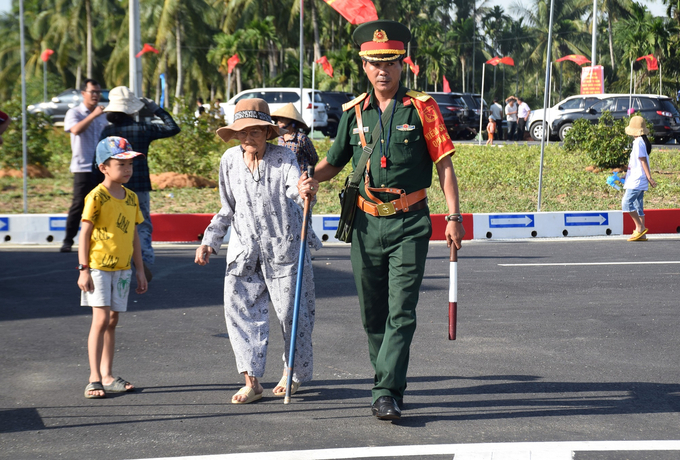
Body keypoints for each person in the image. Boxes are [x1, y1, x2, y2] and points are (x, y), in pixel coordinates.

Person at [309, 20, 465, 420]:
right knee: (372, 313)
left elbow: (444, 164)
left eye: (391, 62)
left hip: (409, 222)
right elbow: (333, 161)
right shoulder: (354, 113)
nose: (384, 70)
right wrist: (309, 179)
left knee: (402, 310)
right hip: (364, 224)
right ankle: (386, 382)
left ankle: (386, 390)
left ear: (402, 64)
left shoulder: (422, 109)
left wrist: (453, 216)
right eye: (375, 63)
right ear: (364, 65)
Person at [194, 98, 321, 405]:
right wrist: (210, 239)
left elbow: (295, 188)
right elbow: (227, 207)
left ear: (267, 132)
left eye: (255, 131)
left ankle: (293, 372)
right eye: (242, 132)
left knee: (292, 314)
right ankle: (252, 381)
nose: (248, 138)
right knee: (240, 314)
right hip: (244, 250)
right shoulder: (229, 160)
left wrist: (306, 190)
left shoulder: (284, 159)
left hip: (284, 247)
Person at [78, 136, 148, 399]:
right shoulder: (96, 196)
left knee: (113, 320)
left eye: (130, 163)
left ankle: (108, 374)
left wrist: (139, 270)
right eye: (120, 163)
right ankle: (94, 377)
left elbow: (134, 236)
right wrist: (83, 269)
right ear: (103, 167)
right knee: (100, 319)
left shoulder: (131, 198)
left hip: (122, 269)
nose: (127, 169)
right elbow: (84, 233)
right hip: (97, 267)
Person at [99, 86, 181, 279]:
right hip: (140, 184)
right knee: (142, 224)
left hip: (114, 186)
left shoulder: (108, 132)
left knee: (116, 223)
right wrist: (156, 109)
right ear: (132, 109)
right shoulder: (143, 128)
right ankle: (143, 261)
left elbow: (100, 160)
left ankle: (119, 259)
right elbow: (173, 128)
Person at [60, 79, 108, 253]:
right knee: (78, 204)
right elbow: (76, 130)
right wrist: (93, 115)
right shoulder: (75, 112)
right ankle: (67, 240)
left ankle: (97, 242)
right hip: (83, 166)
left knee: (101, 204)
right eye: (92, 92)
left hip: (101, 167)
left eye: (98, 92)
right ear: (83, 93)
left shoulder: (102, 114)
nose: (96, 95)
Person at [622, 116, 656, 241]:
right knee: (638, 206)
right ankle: (642, 234)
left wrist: (649, 177)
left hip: (637, 181)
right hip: (636, 178)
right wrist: (626, 175)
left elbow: (642, 161)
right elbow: (636, 163)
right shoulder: (641, 141)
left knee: (626, 203)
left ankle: (639, 227)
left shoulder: (638, 142)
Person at [271, 103, 319, 172]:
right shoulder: (280, 137)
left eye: (283, 118)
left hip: (300, 176)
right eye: (278, 119)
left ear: (291, 120)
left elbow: (313, 158)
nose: (279, 121)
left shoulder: (301, 138)